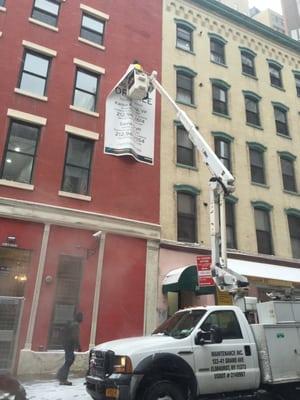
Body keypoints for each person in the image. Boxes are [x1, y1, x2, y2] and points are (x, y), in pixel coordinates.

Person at [56, 311, 83, 386]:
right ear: (79, 318)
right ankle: (62, 379)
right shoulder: (75, 325)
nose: (82, 319)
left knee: (69, 360)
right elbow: (75, 336)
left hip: (66, 344)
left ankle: (60, 375)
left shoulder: (71, 323)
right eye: (81, 317)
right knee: (69, 360)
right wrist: (78, 346)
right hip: (69, 345)